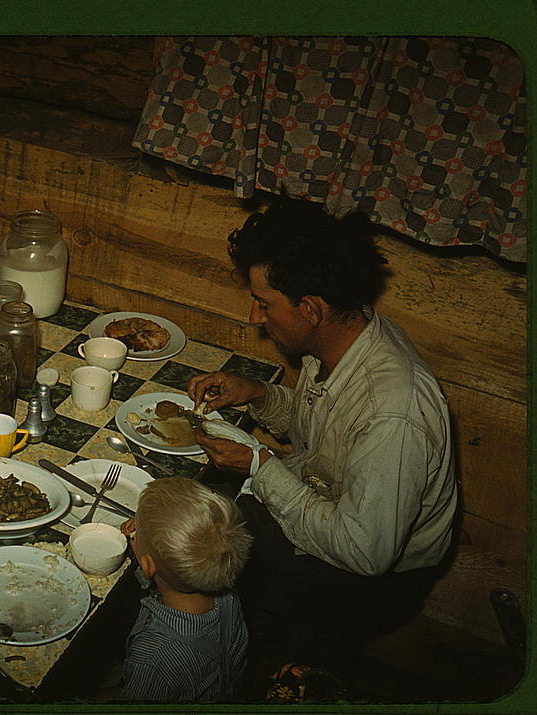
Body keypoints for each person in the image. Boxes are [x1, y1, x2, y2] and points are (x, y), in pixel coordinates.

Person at [187, 197, 458, 668]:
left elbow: (363, 552)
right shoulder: (346, 335)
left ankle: (230, 666)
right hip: (330, 505)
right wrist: (256, 394)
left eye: (263, 303)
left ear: (311, 308)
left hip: (371, 577)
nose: (255, 317)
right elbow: (326, 431)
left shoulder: (394, 413)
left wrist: (259, 465)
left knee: (201, 549)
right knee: (202, 501)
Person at [116, 477, 252, 703]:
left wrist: (145, 544)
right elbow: (165, 576)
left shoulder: (152, 659)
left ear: (148, 565)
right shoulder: (226, 595)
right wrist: (146, 540)